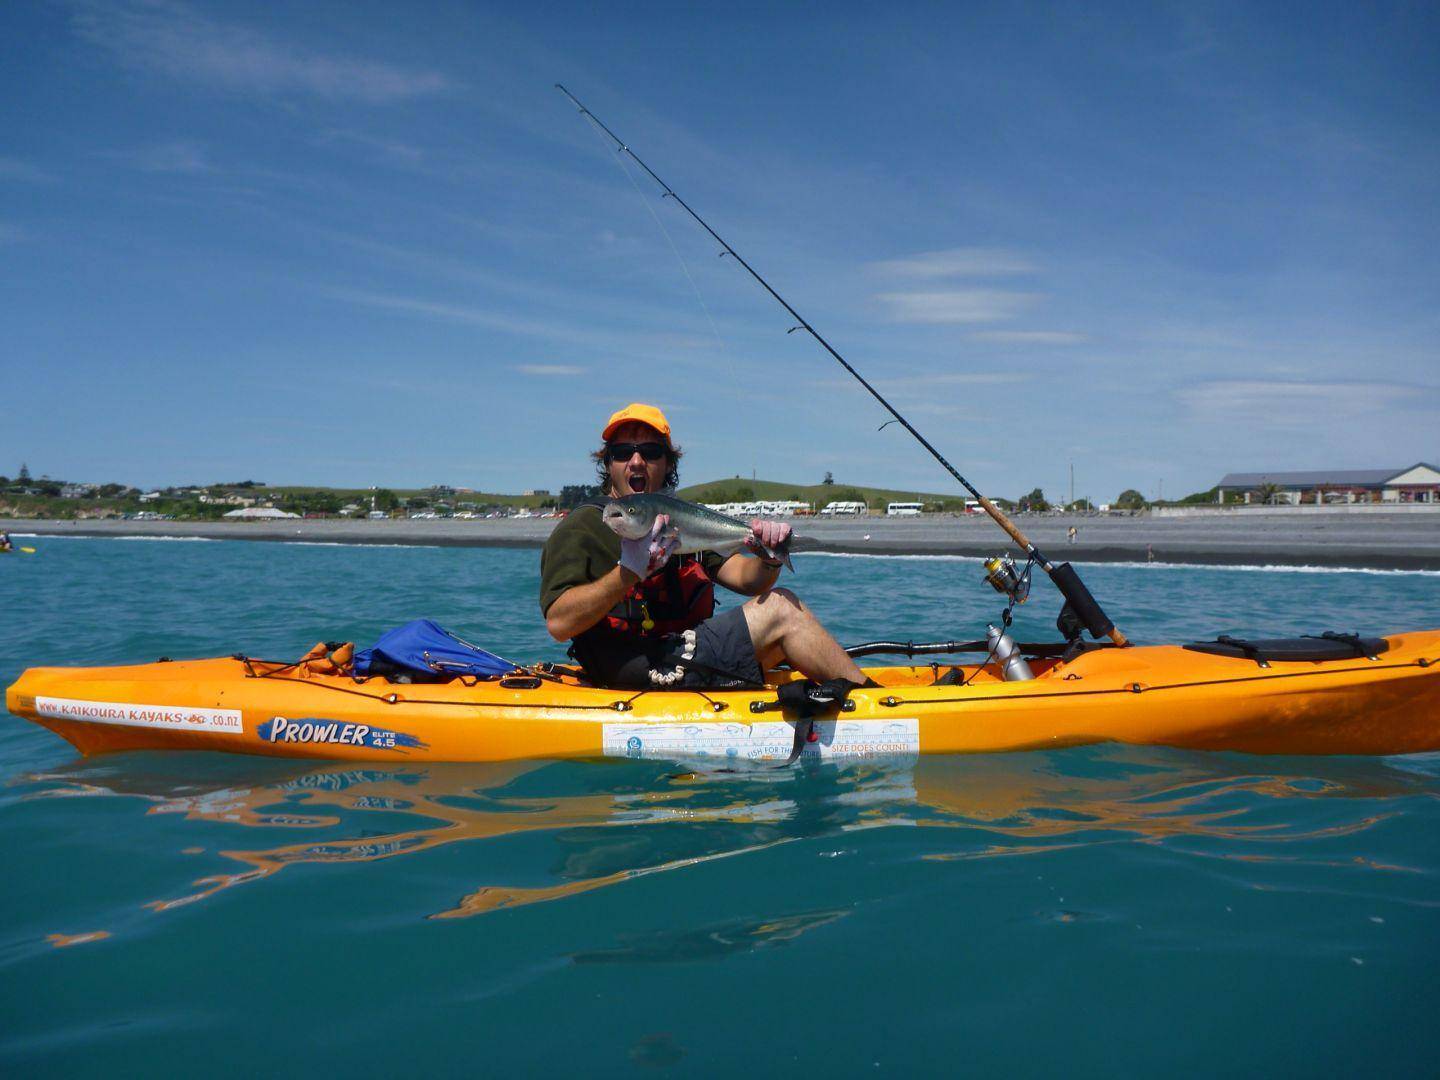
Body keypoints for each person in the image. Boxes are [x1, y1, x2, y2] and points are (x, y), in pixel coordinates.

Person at [540, 403, 868, 690]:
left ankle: (856, 698)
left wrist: (769, 557)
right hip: (630, 668)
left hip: (684, 654)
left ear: (668, 464)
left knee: (779, 626)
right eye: (623, 452)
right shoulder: (582, 528)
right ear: (608, 464)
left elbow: (746, 580)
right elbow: (558, 624)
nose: (637, 461)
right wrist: (628, 573)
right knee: (782, 610)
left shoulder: (684, 520)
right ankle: (875, 702)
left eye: (651, 452)